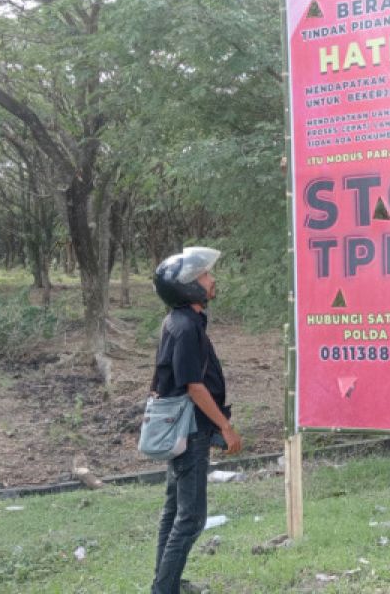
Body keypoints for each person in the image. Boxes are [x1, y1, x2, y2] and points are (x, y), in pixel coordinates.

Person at [150, 246, 242, 594]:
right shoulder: (187, 327)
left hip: (182, 429)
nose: (212, 279)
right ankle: (164, 589)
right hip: (190, 431)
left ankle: (167, 582)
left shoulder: (182, 321)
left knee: (174, 511)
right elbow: (194, 386)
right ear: (188, 287)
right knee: (191, 518)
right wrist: (225, 426)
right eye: (205, 276)